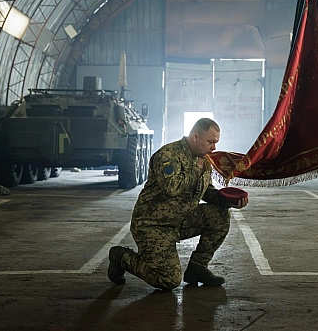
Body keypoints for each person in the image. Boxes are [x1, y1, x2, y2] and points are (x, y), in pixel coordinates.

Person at [107, 118, 249, 290]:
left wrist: (227, 200)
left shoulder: (203, 160)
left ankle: (197, 268)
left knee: (220, 214)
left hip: (181, 219)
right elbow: (172, 187)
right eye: (211, 142)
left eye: (215, 143)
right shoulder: (168, 155)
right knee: (168, 280)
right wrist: (196, 169)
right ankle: (120, 256)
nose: (214, 148)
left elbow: (205, 190)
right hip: (154, 225)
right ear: (195, 137)